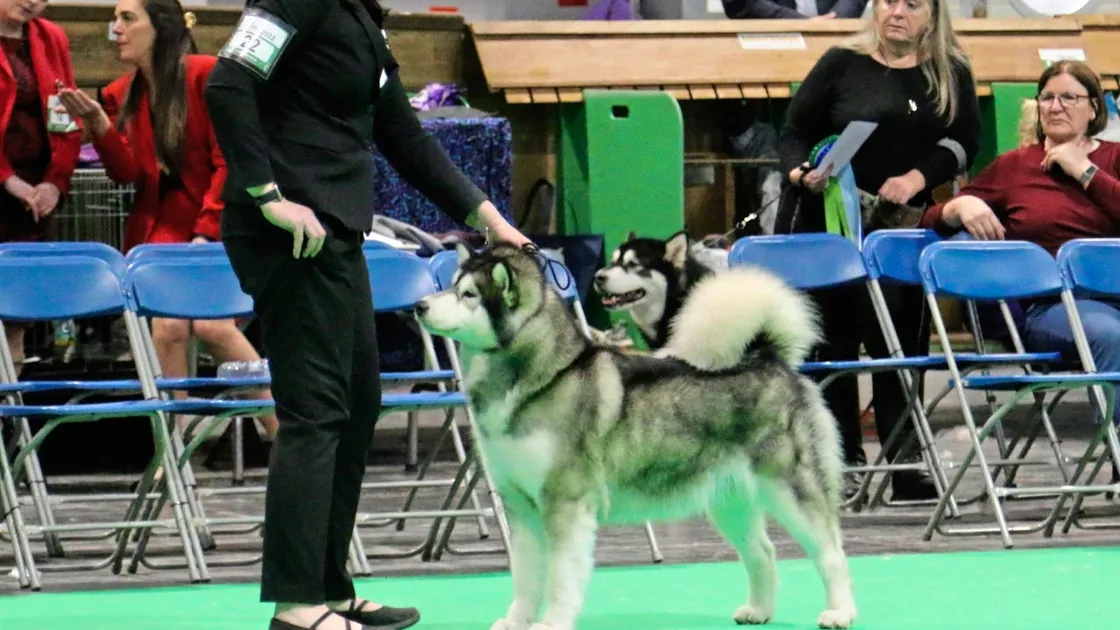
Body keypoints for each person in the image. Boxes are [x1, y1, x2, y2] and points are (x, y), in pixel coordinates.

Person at [203, 0, 531, 628]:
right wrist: (267, 195)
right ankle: (297, 607)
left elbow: (404, 135)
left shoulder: (360, 15)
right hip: (292, 234)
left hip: (338, 230)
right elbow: (227, 84)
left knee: (356, 405)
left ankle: (330, 587)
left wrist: (490, 221)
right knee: (316, 412)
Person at [775, 0, 982, 501]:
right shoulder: (840, 64)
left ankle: (906, 463)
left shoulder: (949, 72)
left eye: (912, 5)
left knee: (901, 348)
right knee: (834, 349)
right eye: (889, 0)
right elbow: (794, 133)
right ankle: (842, 462)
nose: (898, 12)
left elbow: (963, 141)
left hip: (900, 229)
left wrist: (918, 176)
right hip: (828, 228)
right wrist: (801, 172)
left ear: (931, 16)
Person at [57, 0, 278, 439]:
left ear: (159, 28)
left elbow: (229, 161)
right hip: (159, 234)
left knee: (214, 323)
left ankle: (280, 430)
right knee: (170, 323)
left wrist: (206, 233)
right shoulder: (121, 92)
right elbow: (127, 175)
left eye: (127, 19)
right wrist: (100, 126)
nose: (114, 29)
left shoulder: (205, 74)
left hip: (217, 224)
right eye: (115, 19)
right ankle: (175, 440)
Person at [920, 61, 1120, 482]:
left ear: (1094, 109)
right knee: (1111, 335)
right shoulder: (1015, 166)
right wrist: (959, 205)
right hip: (1055, 309)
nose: (1056, 106)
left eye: (1069, 97)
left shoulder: (1115, 158)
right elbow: (930, 221)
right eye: (1047, 97)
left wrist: (1083, 171)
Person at [0, 0, 82, 374]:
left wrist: (55, 181)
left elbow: (66, 110)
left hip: (33, 195)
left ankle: (10, 419)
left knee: (16, 313)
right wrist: (7, 179)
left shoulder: (51, 37)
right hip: (7, 183)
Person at [722, 0, 868, 20]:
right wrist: (802, 22)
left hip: (836, 45)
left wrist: (835, 18)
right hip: (769, 47)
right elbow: (738, 3)